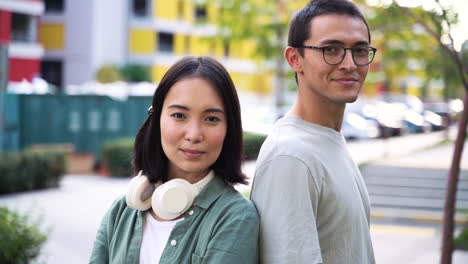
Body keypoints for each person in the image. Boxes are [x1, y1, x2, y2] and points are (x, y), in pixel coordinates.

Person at [90, 56, 259, 263]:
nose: (194, 134)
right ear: (157, 118)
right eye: (179, 115)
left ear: (228, 129)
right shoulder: (121, 212)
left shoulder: (235, 218)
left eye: (211, 119)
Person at [251, 0, 376, 263]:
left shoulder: (327, 138)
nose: (350, 63)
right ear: (295, 59)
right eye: (331, 49)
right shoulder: (291, 156)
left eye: (360, 50)